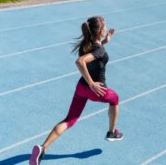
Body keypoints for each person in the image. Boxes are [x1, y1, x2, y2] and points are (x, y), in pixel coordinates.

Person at [29, 16, 123, 165]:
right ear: (100, 31)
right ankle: (112, 132)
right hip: (95, 89)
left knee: (70, 120)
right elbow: (80, 61)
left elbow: (94, 53)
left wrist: (104, 41)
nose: (106, 27)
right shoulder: (97, 49)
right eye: (104, 26)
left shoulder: (86, 44)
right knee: (115, 98)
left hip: (81, 88)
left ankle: (42, 148)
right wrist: (92, 83)